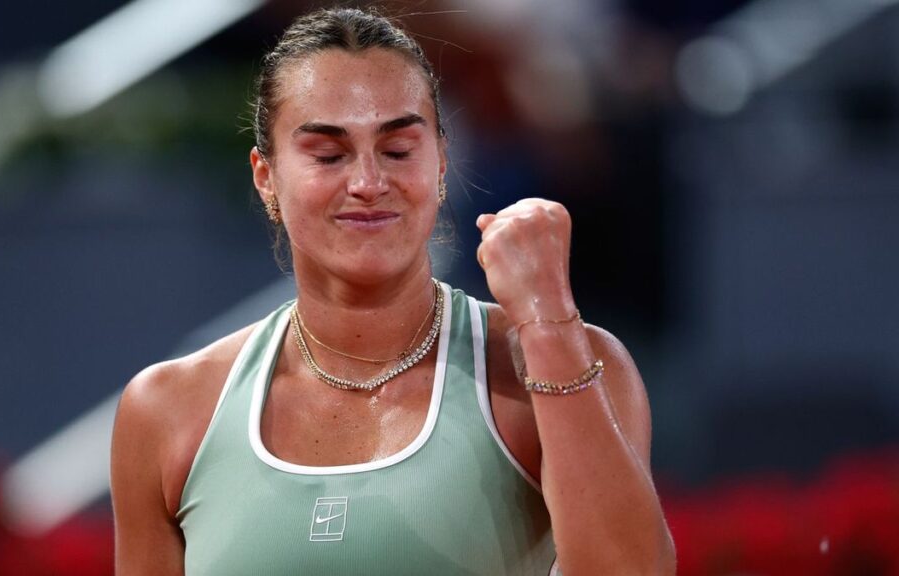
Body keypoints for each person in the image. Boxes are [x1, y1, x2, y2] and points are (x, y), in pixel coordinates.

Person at [110, 7, 675, 575]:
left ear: (441, 163)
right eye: (328, 155)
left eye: (399, 150)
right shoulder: (166, 410)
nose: (368, 184)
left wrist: (549, 320)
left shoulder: (572, 364)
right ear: (266, 177)